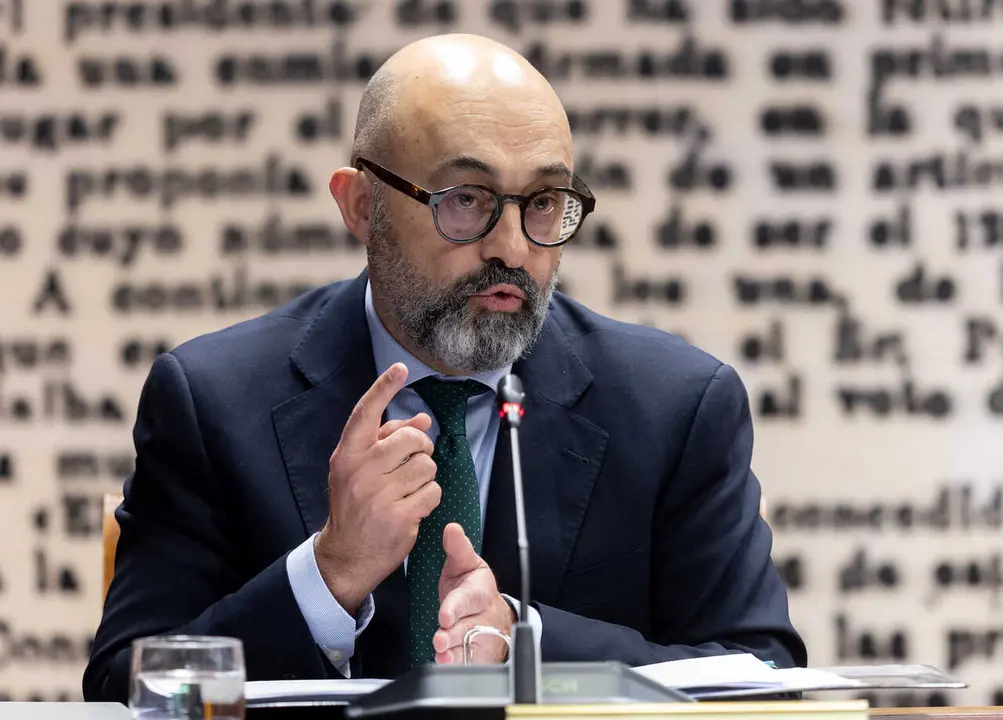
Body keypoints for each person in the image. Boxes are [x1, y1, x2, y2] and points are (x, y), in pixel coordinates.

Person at [83, 33, 806, 702]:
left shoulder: (673, 406)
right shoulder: (212, 400)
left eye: (544, 203)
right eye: (466, 201)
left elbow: (764, 676)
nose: (513, 249)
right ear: (362, 206)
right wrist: (326, 576)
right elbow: (127, 686)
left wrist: (523, 640)